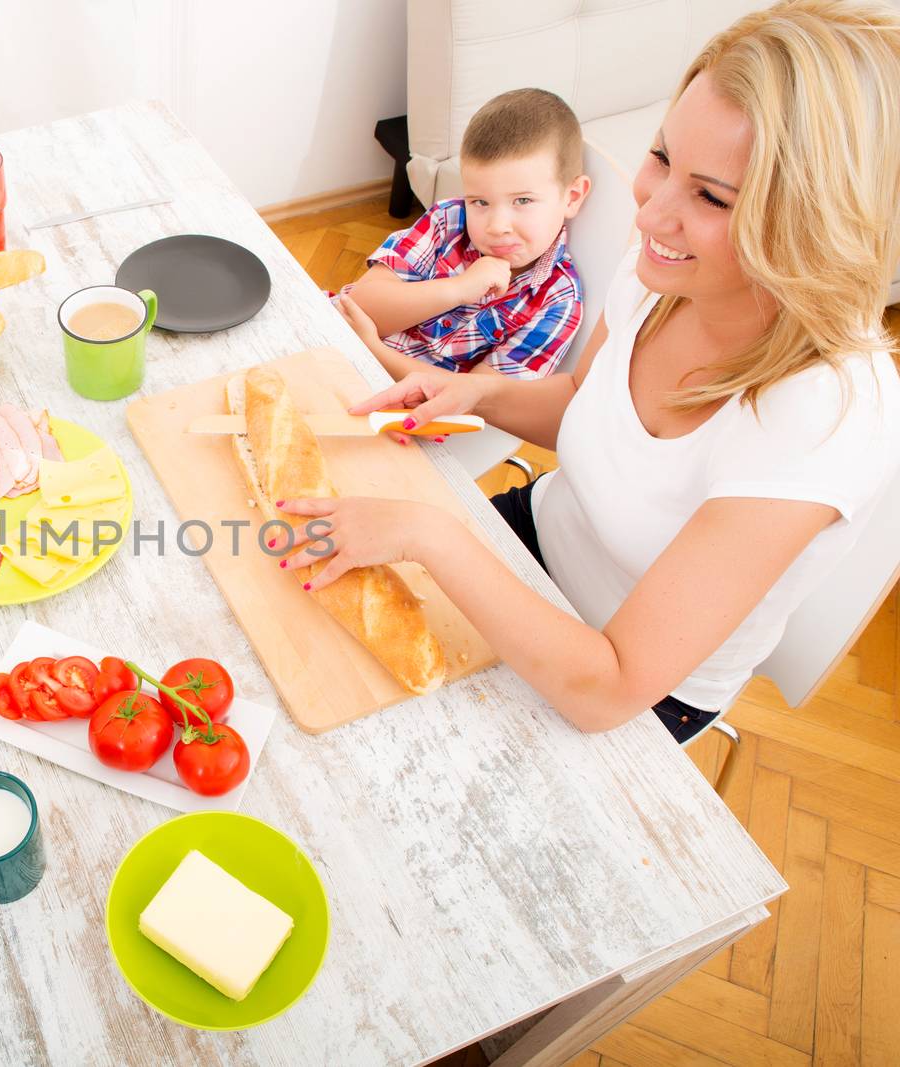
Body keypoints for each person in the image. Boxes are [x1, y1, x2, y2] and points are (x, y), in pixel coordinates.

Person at [284, 0, 900, 743]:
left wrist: (433, 536)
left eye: (709, 196)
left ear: (809, 222)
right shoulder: (663, 273)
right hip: (533, 546)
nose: (648, 214)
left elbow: (607, 688)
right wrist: (479, 391)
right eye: (664, 157)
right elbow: (584, 398)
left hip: (626, 687)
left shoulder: (824, 415)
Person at [336, 87, 590, 382]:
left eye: (522, 201)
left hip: (399, 401)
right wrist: (459, 288)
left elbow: (480, 396)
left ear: (572, 197)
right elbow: (362, 303)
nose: (497, 225)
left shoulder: (557, 300)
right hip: (336, 345)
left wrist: (374, 351)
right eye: (480, 202)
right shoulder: (449, 221)